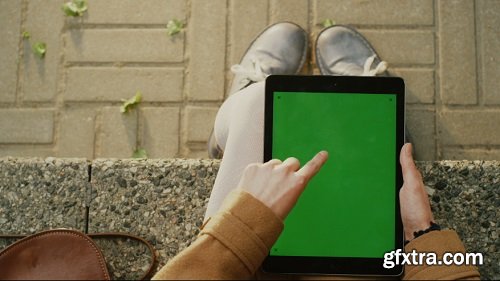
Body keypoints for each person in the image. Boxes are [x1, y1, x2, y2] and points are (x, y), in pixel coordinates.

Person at [152, 23, 480, 280]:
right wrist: (422, 234)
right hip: (362, 271)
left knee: (257, 104)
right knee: (368, 122)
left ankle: (234, 120)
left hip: (248, 269)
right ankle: (373, 108)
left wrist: (240, 224)